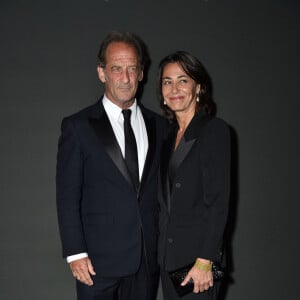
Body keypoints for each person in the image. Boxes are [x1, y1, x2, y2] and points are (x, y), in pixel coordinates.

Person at [56, 31, 167, 300]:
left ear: (142, 73)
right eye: (116, 69)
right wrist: (76, 253)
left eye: (132, 69)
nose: (125, 78)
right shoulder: (78, 127)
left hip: (147, 260)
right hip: (96, 263)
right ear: (101, 72)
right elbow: (67, 195)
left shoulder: (162, 126)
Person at [157, 51, 230, 299]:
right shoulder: (167, 138)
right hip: (169, 258)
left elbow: (218, 201)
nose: (174, 88)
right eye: (167, 81)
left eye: (183, 80)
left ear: (198, 87)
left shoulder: (213, 130)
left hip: (200, 262)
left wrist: (206, 259)